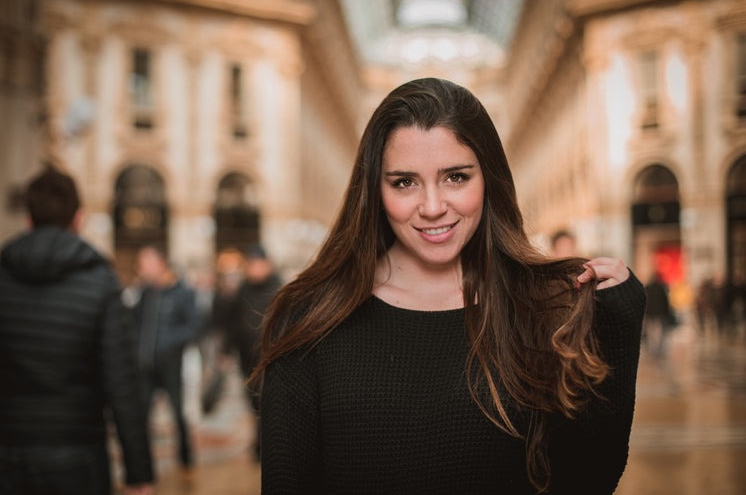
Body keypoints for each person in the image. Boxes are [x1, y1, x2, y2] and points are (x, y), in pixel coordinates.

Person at [253, 78, 646, 494]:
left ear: (488, 179)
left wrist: (617, 325)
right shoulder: (309, 319)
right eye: (404, 182)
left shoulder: (541, 308)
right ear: (374, 190)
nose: (434, 207)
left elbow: (586, 480)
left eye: (456, 177)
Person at [0, 165, 154, 495]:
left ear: (28, 219)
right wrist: (138, 472)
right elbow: (122, 381)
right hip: (76, 454)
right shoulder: (101, 283)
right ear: (79, 219)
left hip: (1, 451)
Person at [132, 245, 201, 470]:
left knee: (178, 415)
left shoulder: (181, 292)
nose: (141, 269)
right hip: (145, 366)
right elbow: (136, 324)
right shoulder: (145, 293)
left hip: (170, 365)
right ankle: (143, 465)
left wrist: (170, 344)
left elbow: (194, 326)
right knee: (141, 416)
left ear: (160, 264)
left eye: (145, 264)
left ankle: (185, 460)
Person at [220, 244, 282, 460]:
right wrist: (226, 351)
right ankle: (260, 440)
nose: (254, 269)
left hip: (272, 358)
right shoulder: (242, 290)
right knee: (253, 401)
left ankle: (266, 445)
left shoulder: (278, 288)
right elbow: (232, 323)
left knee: (269, 402)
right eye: (251, 265)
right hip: (247, 357)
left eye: (257, 264)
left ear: (267, 264)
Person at [643, 271, 675, 359]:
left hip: (649, 313)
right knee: (657, 330)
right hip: (658, 313)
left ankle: (652, 347)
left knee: (650, 330)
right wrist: (666, 312)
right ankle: (656, 347)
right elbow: (665, 302)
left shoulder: (648, 287)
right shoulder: (661, 288)